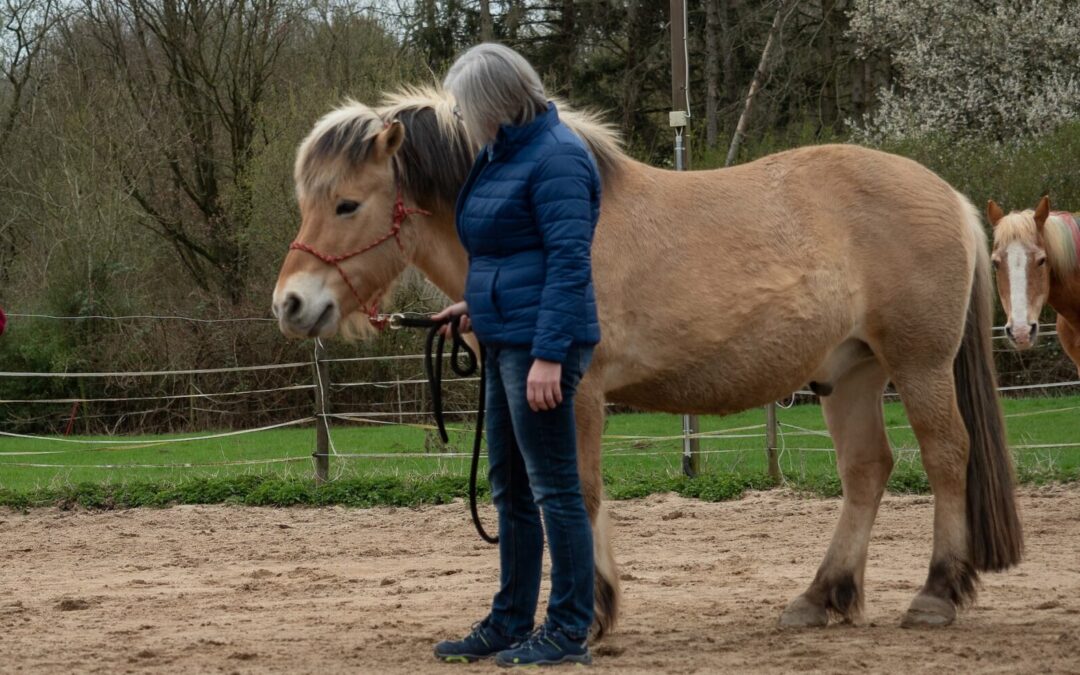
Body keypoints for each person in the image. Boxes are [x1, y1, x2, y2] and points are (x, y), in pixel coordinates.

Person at [432, 43, 602, 668]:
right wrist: (473, 306)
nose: (462, 117)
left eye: (467, 106)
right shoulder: (498, 155)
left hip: (540, 345)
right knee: (510, 487)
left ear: (496, 102)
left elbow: (567, 264)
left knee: (555, 488)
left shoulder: (558, 159)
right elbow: (501, 252)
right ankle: (510, 619)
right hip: (506, 336)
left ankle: (568, 631)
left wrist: (550, 356)